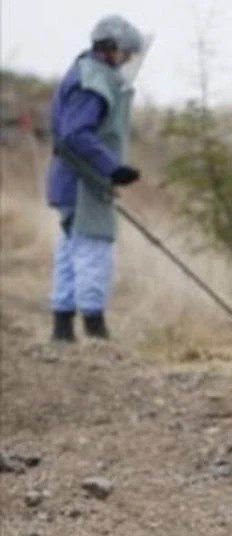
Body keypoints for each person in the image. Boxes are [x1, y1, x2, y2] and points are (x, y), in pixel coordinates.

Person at [45, 14, 149, 342]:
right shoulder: (95, 81)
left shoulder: (86, 71)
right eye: (126, 53)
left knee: (70, 250)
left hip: (73, 180)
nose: (129, 59)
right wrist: (112, 168)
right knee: (93, 251)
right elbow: (76, 134)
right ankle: (95, 329)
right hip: (82, 182)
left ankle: (62, 330)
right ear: (110, 49)